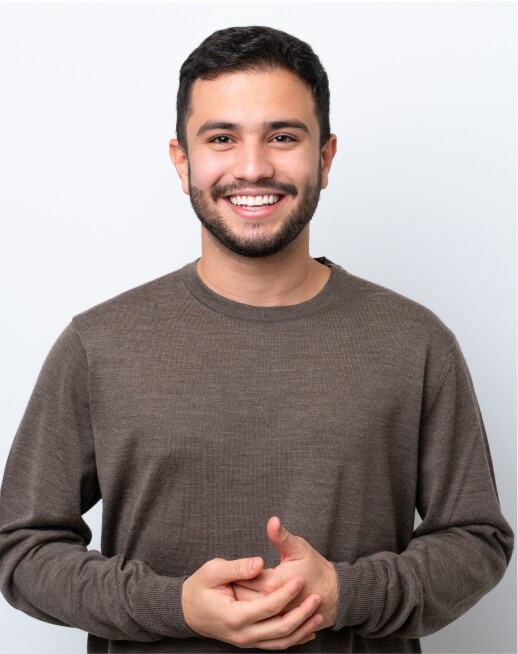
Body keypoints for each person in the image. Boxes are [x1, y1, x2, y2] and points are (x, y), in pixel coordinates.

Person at [0, 25, 513, 654]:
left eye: (282, 137)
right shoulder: (97, 345)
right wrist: (173, 606)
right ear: (182, 160)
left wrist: (344, 594)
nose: (252, 168)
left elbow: (477, 539)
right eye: (222, 138)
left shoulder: (416, 342)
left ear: (325, 157)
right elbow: (20, 546)